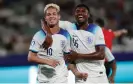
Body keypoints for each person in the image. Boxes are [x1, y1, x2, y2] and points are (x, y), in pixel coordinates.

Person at [46, 4, 109, 83]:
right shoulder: (69, 26)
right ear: (74, 14)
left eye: (83, 11)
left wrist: (78, 56)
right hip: (81, 78)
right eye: (77, 11)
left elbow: (101, 55)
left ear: (88, 15)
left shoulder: (96, 29)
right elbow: (47, 21)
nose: (80, 13)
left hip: (98, 76)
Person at [28, 3, 71, 83]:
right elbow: (30, 57)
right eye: (49, 14)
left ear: (59, 17)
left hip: (60, 78)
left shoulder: (66, 34)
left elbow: (67, 55)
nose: (51, 16)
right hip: (43, 79)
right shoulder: (39, 35)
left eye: (54, 14)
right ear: (45, 18)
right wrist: (48, 61)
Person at [95, 18, 128, 83]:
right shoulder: (109, 33)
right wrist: (124, 31)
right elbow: (117, 33)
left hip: (100, 62)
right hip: (107, 62)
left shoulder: (94, 34)